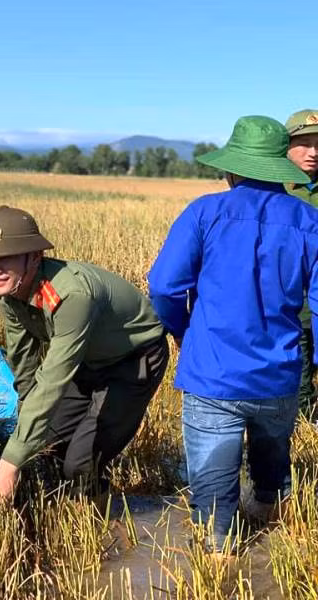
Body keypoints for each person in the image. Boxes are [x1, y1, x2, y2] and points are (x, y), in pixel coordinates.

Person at [149, 115, 318, 553]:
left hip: (213, 374)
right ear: (282, 166)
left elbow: (165, 286)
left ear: (232, 168)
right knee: (270, 484)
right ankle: (270, 537)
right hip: (278, 376)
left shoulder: (204, 212)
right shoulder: (308, 221)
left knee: (213, 504)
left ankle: (220, 560)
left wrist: (185, 331)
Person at [0, 205, 168, 505]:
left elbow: (54, 377)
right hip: (88, 360)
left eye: (4, 258)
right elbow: (24, 362)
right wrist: (23, 433)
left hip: (133, 360)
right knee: (44, 445)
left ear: (34, 257)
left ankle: (97, 516)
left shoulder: (71, 295)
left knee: (79, 465)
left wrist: (9, 467)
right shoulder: (10, 292)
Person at [284, 109, 318, 419]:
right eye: (304, 143)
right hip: (291, 305)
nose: (314, 152)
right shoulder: (271, 191)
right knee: (299, 376)